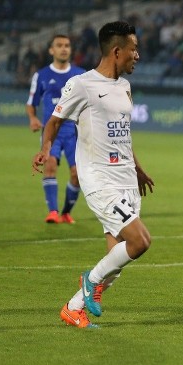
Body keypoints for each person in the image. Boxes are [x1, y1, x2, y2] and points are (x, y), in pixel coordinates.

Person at [32, 21, 155, 329]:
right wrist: (46, 148)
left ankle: (74, 309)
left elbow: (122, 134)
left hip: (126, 178)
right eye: (133, 49)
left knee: (118, 257)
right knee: (140, 242)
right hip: (100, 180)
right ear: (117, 51)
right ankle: (90, 281)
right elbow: (54, 121)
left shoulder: (125, 87)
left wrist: (137, 168)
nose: (137, 55)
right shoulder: (82, 85)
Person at [26, 34, 85, 224]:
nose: (64, 48)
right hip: (52, 132)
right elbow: (31, 102)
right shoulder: (41, 75)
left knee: (77, 174)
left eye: (67, 45)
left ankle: (66, 212)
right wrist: (33, 118)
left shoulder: (81, 75)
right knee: (49, 166)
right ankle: (52, 211)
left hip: (74, 133)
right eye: (59, 45)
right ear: (51, 50)